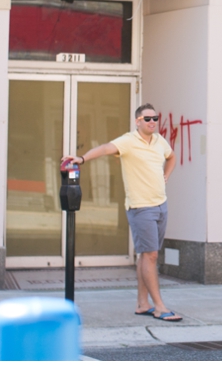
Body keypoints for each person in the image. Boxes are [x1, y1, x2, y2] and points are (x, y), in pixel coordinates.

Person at [62, 103, 182, 321]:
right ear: (138, 121)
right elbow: (105, 148)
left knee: (146, 255)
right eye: (147, 119)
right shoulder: (128, 141)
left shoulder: (159, 141)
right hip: (140, 207)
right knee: (151, 255)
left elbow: (172, 157)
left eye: (155, 118)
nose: (152, 122)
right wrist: (82, 159)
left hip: (160, 204)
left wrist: (166, 176)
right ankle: (160, 306)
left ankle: (142, 303)